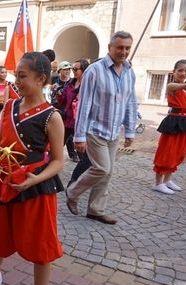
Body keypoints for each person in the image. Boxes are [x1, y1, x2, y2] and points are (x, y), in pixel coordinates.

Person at [0, 52, 64, 285]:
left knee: (41, 244)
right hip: (4, 180)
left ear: (40, 79)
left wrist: (33, 180)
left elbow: (59, 162)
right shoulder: (8, 106)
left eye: (22, 76)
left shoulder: (52, 116)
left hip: (34, 185)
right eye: (16, 75)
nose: (16, 80)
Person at [65, 31, 138, 225]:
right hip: (95, 130)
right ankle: (72, 192)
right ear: (110, 48)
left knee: (109, 172)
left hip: (113, 132)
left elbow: (131, 102)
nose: (123, 51)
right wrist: (78, 136)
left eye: (127, 48)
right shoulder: (95, 70)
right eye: (120, 47)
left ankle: (95, 210)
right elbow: (84, 104)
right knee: (102, 168)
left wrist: (130, 130)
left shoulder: (130, 72)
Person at [152, 60, 186, 194]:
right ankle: (158, 183)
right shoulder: (171, 85)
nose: (183, 73)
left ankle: (167, 180)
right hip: (174, 122)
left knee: (179, 152)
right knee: (167, 151)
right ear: (174, 71)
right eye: (180, 70)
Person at [56, 59, 90, 163]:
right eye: (73, 69)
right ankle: (49, 165)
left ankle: (83, 169)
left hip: (79, 122)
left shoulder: (88, 86)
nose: (73, 71)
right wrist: (59, 94)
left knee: (82, 151)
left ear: (84, 70)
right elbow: (62, 102)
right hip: (67, 120)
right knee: (57, 145)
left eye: (76, 69)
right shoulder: (70, 84)